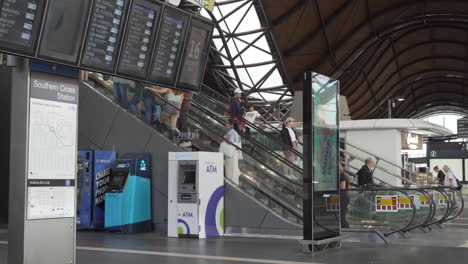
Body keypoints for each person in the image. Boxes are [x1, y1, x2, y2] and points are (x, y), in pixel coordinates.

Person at [224, 119, 240, 185]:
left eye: (227, 123)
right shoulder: (232, 132)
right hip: (232, 153)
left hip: (231, 153)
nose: (226, 124)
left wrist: (226, 138)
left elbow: (233, 143)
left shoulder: (232, 132)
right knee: (231, 169)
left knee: (231, 169)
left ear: (231, 125)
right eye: (226, 123)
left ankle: (232, 183)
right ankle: (233, 181)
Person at [339, 163, 350, 228]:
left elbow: (342, 187)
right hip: (344, 196)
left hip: (343, 197)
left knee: (341, 213)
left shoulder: (342, 176)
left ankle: (345, 227)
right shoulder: (343, 175)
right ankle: (344, 226)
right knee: (342, 212)